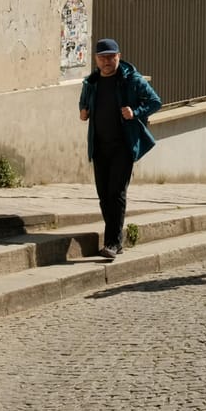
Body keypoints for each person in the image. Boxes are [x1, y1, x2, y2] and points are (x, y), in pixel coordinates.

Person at [78, 38, 163, 261]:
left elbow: (155, 101)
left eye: (111, 56)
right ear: (96, 59)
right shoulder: (91, 82)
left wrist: (135, 112)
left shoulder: (130, 79)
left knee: (116, 192)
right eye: (102, 57)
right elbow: (83, 102)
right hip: (99, 146)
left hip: (123, 146)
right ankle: (114, 240)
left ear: (119, 56)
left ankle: (113, 242)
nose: (107, 61)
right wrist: (83, 111)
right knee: (104, 195)